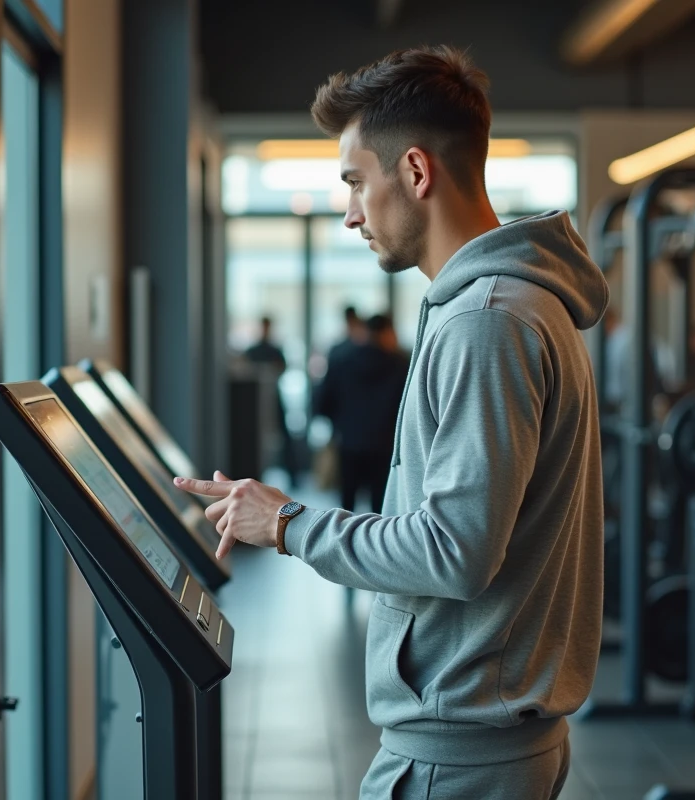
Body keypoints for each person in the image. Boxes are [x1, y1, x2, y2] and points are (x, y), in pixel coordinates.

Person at [176, 45, 606, 799]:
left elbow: (455, 551)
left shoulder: (488, 320)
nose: (349, 214)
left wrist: (287, 523)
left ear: (414, 171)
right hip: (481, 741)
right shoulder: (507, 304)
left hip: (461, 754)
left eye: (354, 183)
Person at [316, 314, 406, 514]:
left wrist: (340, 424)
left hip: (349, 442)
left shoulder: (341, 361)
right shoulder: (399, 364)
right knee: (381, 506)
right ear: (387, 332)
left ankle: (343, 534)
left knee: (346, 505)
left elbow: (323, 402)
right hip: (384, 445)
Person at [244, 316, 297, 484]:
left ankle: (293, 475)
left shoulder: (275, 350)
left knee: (285, 435)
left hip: (274, 396)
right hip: (255, 401)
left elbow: (282, 368)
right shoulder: (253, 350)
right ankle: (252, 474)